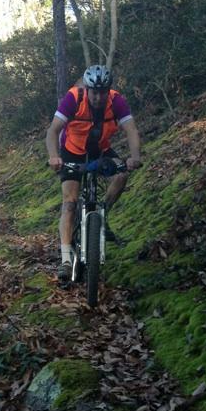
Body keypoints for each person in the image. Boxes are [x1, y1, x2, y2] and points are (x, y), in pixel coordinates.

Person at [45, 64, 142, 285]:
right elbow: (53, 131)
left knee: (121, 174)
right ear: (87, 89)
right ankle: (66, 259)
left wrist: (134, 156)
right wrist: (54, 156)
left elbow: (131, 130)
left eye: (102, 92)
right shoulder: (73, 98)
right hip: (72, 151)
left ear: (108, 90)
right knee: (69, 202)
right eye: (94, 92)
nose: (98, 97)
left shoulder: (117, 101)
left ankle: (102, 213)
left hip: (100, 149)